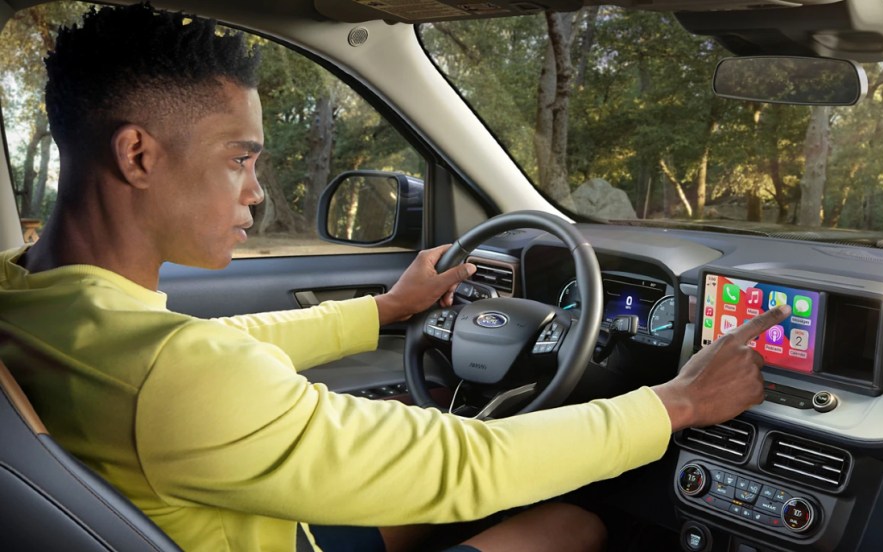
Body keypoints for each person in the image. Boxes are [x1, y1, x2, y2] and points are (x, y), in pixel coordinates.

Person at [0, 4, 786, 551]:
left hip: (230, 518)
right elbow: (468, 464)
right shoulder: (179, 379)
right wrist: (680, 402)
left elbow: (218, 344)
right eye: (240, 158)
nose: (257, 191)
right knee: (571, 528)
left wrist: (383, 310)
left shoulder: (31, 294)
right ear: (137, 155)